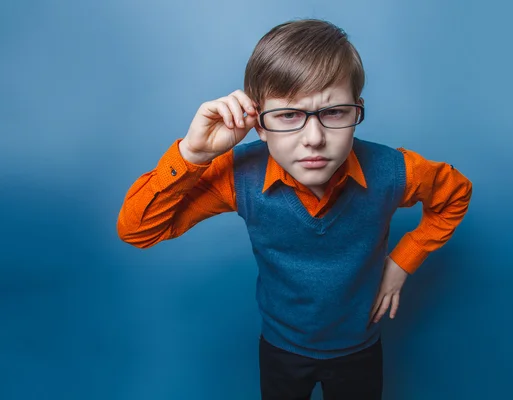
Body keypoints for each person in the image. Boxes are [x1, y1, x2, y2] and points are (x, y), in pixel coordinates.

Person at [117, 18, 473, 400]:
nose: (314, 138)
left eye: (335, 112)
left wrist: (403, 261)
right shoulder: (239, 177)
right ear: (259, 124)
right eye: (289, 116)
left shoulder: (393, 172)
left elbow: (455, 194)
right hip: (281, 348)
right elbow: (139, 230)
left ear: (358, 111)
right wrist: (193, 153)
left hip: (359, 348)